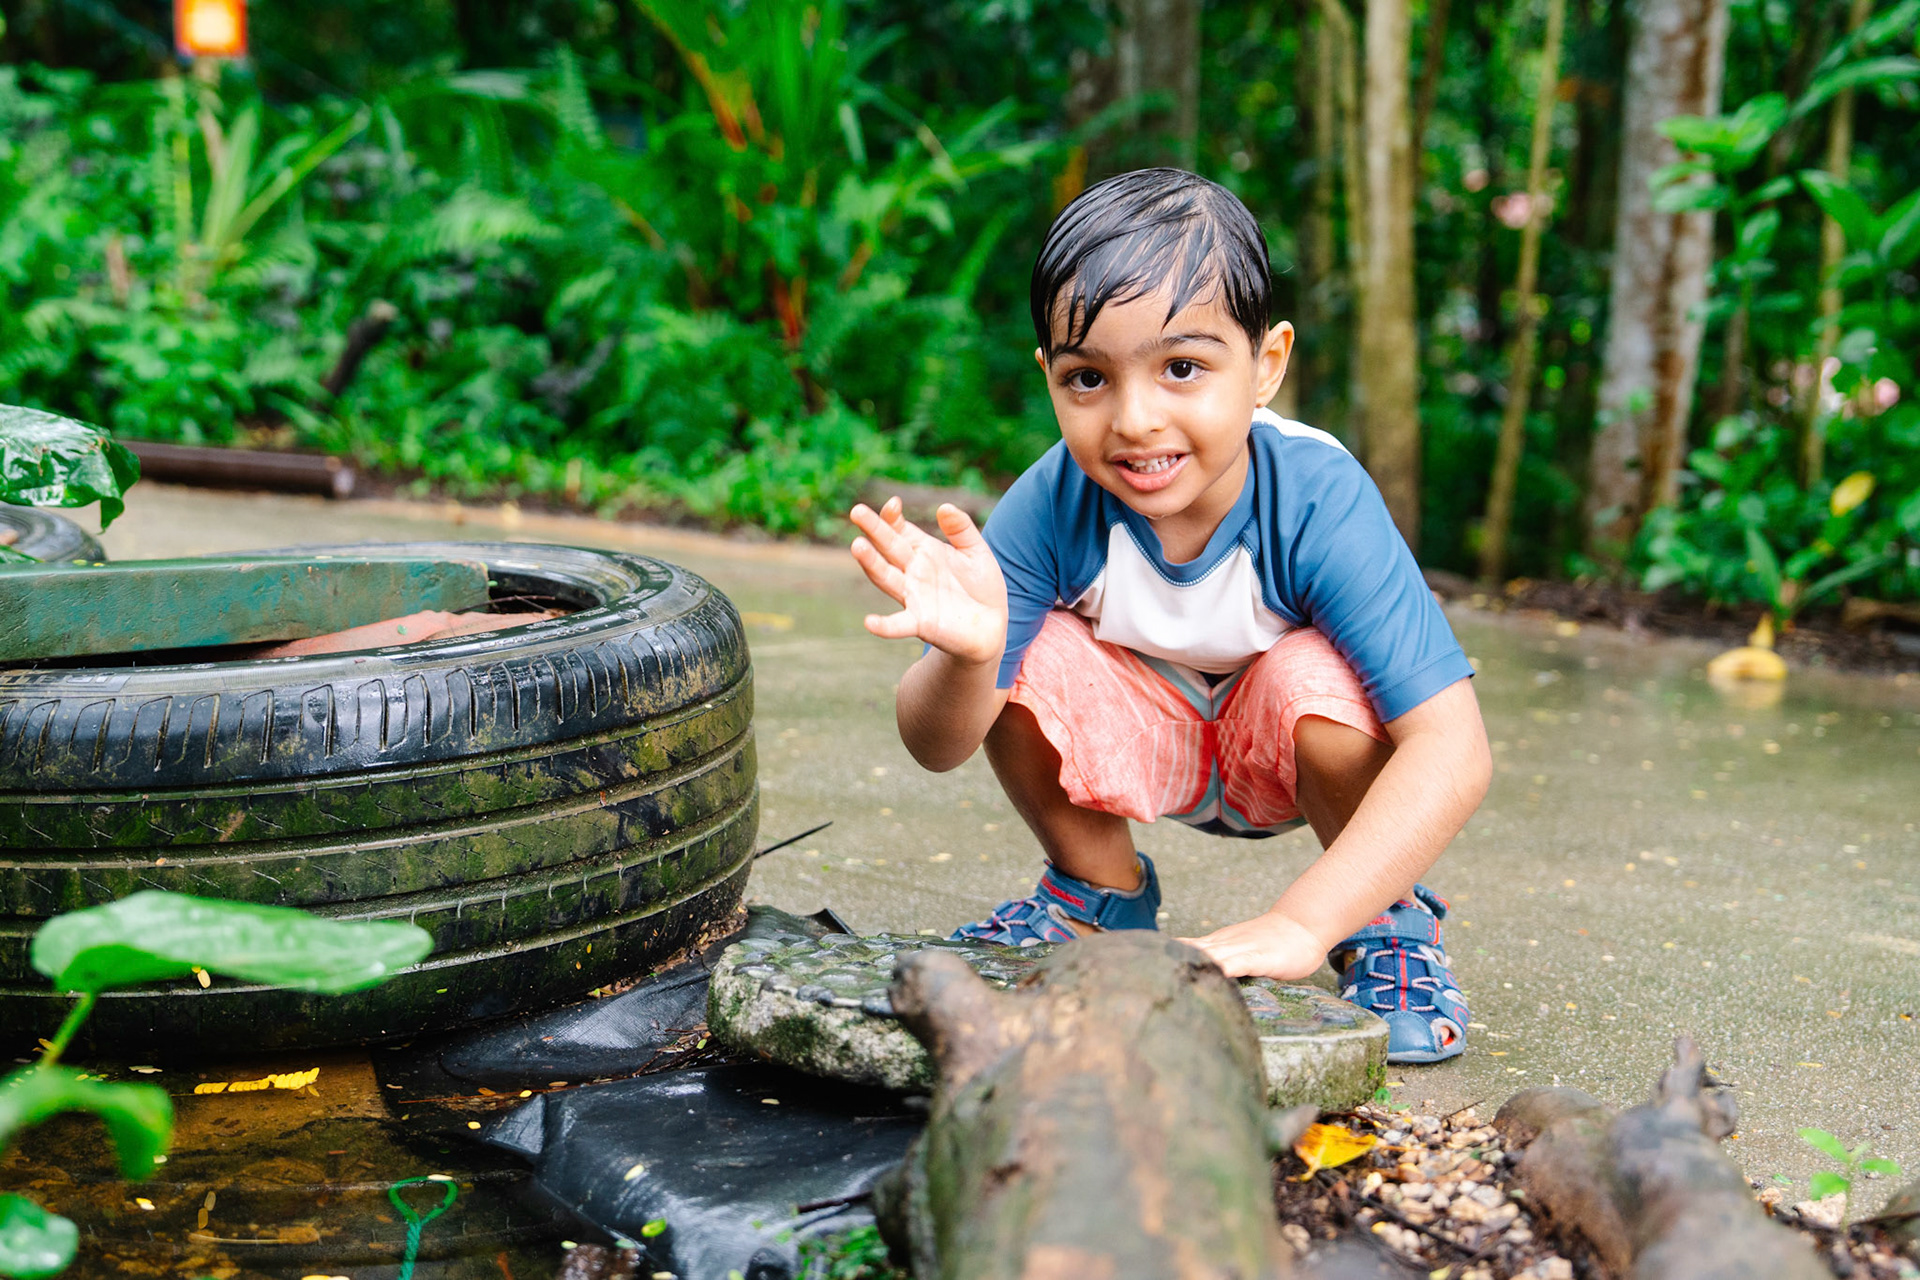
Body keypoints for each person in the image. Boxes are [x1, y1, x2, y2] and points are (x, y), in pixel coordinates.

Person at [846, 168, 1491, 1063]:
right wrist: (969, 659)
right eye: (1088, 378)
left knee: (1313, 672)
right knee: (1024, 652)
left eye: (1182, 368)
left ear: (1266, 366)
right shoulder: (1053, 501)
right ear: (1049, 378)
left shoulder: (1318, 498)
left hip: (1293, 746)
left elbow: (1453, 748)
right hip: (1152, 736)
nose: (1135, 419)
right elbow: (937, 745)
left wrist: (1301, 923)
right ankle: (1096, 893)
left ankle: (1384, 921)